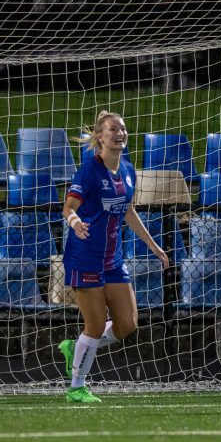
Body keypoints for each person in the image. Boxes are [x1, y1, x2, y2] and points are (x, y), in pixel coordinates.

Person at [58, 111, 169, 403]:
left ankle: (78, 346)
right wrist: (75, 223)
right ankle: (77, 387)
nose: (119, 133)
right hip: (85, 256)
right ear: (100, 137)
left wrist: (154, 246)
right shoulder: (89, 171)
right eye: (112, 129)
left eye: (122, 128)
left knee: (128, 325)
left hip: (112, 259)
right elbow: (68, 207)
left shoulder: (129, 170)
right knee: (94, 325)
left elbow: (128, 211)